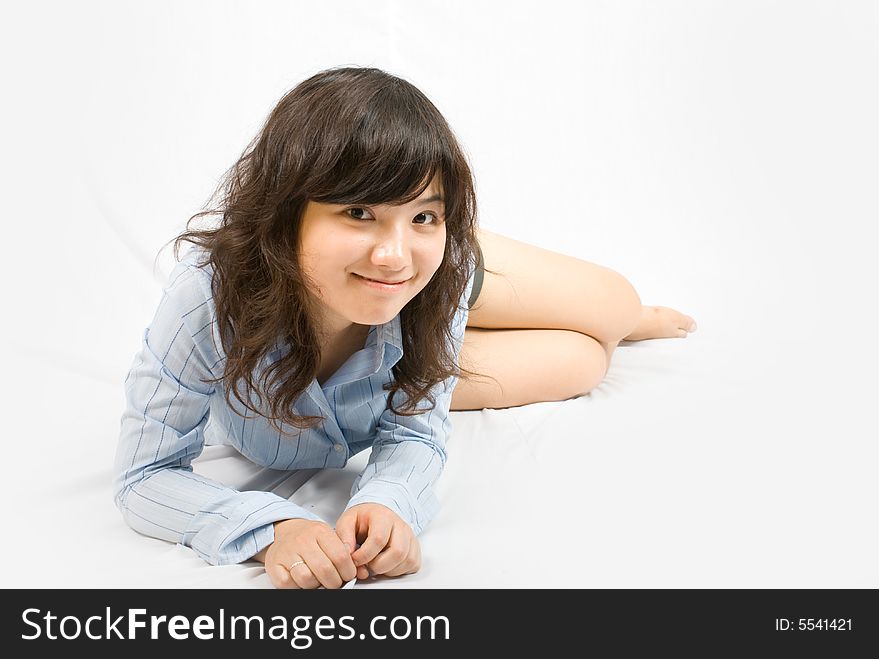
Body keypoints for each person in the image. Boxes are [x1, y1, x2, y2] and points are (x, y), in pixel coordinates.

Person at [114, 66, 697, 590]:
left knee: (618, 306)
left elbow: (412, 434)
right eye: (358, 212)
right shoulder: (206, 300)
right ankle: (455, 316)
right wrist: (272, 528)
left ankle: (617, 320)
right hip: (381, 310)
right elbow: (145, 476)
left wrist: (391, 499)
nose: (393, 249)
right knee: (584, 363)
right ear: (284, 213)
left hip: (431, 290)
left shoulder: (415, 259)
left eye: (424, 214)